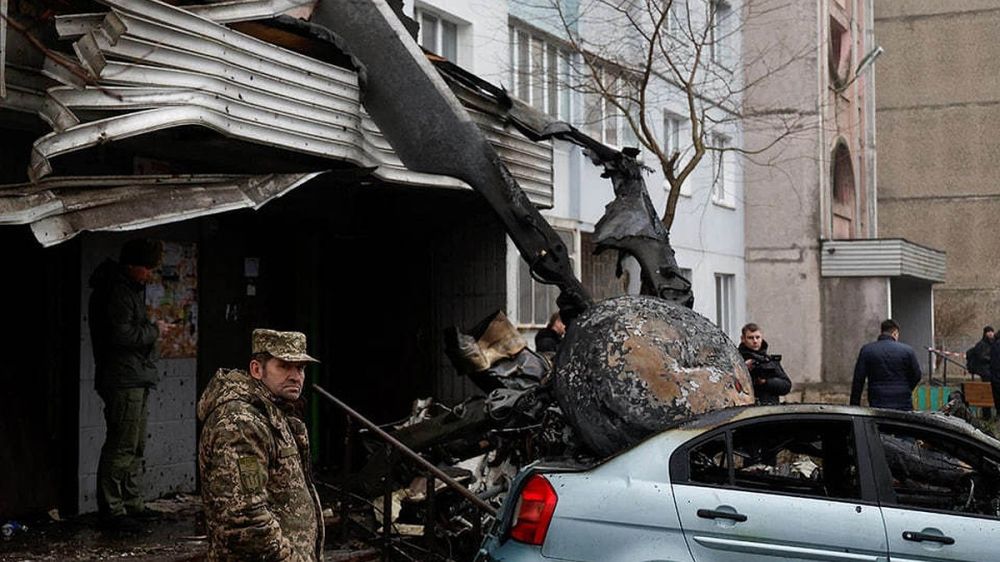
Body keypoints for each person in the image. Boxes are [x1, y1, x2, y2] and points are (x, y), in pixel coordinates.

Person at [198, 329, 324, 561]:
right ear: (257, 369)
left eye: (300, 368)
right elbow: (244, 516)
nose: (296, 376)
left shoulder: (274, 412)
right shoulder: (241, 422)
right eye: (284, 366)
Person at [88, 238, 172, 531]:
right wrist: (153, 330)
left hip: (133, 376)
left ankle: (131, 502)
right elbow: (122, 336)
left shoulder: (126, 289)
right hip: (123, 378)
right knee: (122, 445)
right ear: (133, 266)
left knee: (134, 445)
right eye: (147, 268)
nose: (150, 274)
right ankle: (113, 509)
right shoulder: (117, 293)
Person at [850, 319, 922, 410]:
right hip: (902, 401)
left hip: (877, 399)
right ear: (895, 333)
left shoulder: (867, 350)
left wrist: (854, 405)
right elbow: (917, 375)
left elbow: (858, 380)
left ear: (882, 331)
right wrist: (906, 388)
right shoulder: (907, 351)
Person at [738, 323, 792, 405]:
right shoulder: (738, 359)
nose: (755, 341)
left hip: (768, 408)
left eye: (757, 337)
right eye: (750, 338)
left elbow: (786, 386)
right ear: (743, 339)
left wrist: (766, 382)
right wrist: (744, 370)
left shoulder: (768, 360)